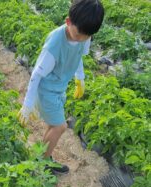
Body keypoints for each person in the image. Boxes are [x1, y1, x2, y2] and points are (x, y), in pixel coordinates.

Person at [18, 0, 104, 173]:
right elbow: (36, 75)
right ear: (68, 22)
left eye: (86, 36)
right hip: (47, 90)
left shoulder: (84, 35)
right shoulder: (54, 45)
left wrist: (80, 78)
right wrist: (27, 104)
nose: (81, 39)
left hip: (59, 88)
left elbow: (79, 55)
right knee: (60, 126)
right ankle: (41, 165)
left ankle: (44, 156)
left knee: (53, 125)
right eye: (78, 34)